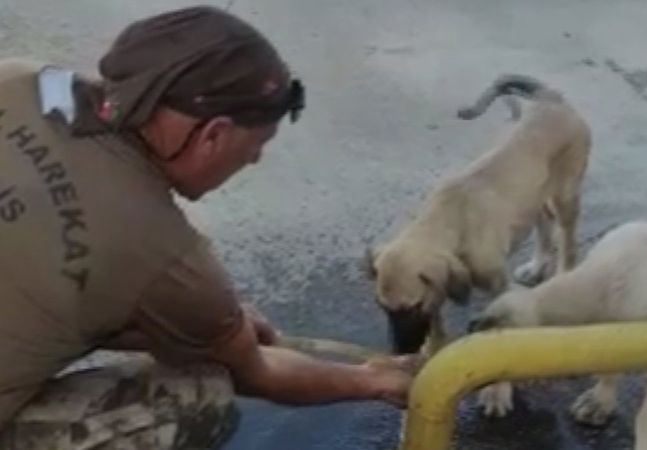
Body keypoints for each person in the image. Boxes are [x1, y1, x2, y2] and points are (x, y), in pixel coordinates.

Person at [0, 6, 413, 449]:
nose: (253, 161)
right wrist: (372, 380)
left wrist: (186, 322)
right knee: (201, 392)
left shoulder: (19, 78)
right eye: (255, 147)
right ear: (212, 135)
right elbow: (260, 372)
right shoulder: (165, 255)